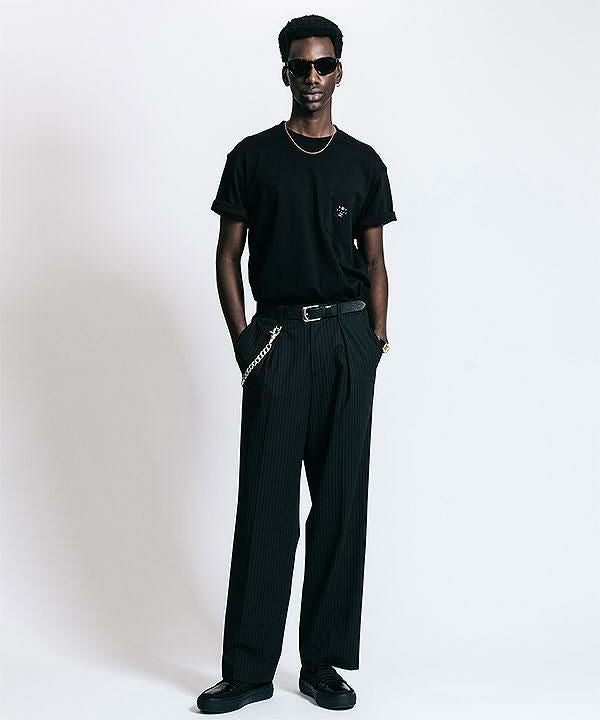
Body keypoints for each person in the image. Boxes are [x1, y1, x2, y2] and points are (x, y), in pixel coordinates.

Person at [197, 13, 396, 714]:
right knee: (267, 509)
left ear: (340, 71)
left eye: (323, 65)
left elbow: (376, 261)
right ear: (285, 71)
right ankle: (249, 671)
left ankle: (322, 665)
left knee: (340, 506)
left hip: (346, 343)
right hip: (278, 342)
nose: (312, 77)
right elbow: (227, 256)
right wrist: (245, 344)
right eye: (300, 66)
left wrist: (373, 343)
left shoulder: (364, 162)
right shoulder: (252, 157)